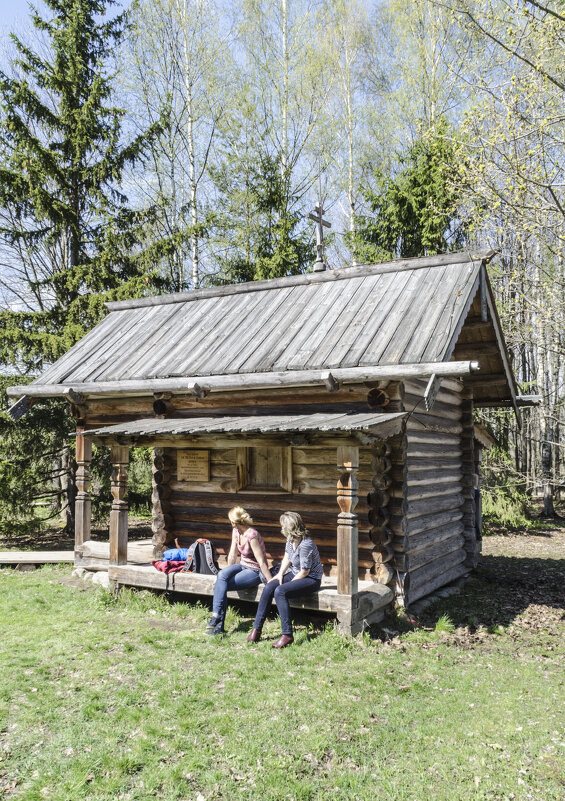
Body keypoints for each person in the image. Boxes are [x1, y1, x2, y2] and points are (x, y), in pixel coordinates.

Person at [247, 511, 323, 648]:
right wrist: (280, 574)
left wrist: (290, 585)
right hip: (296, 573)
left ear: (289, 528)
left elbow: (305, 571)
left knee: (280, 591)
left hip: (311, 579)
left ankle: (287, 635)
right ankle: (256, 629)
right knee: (270, 586)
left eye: (283, 526)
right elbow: (287, 556)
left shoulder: (306, 544)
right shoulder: (290, 540)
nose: (281, 529)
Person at [206, 506, 272, 635]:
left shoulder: (252, 535)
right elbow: (232, 553)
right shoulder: (236, 531)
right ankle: (216, 617)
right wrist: (229, 571)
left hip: (254, 570)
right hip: (242, 565)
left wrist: (270, 582)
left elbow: (261, 561)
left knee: (221, 586)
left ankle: (218, 625)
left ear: (234, 522)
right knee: (222, 576)